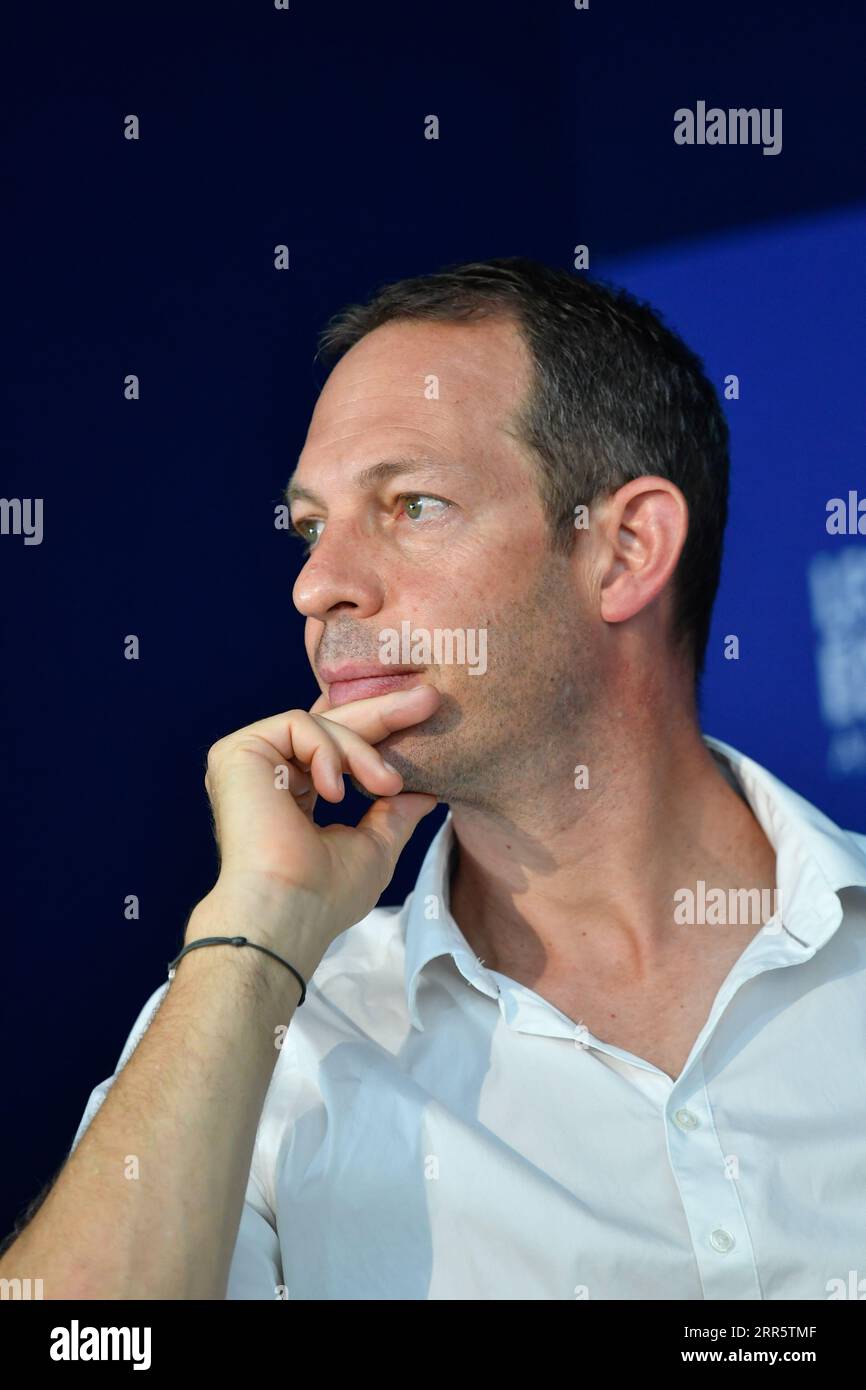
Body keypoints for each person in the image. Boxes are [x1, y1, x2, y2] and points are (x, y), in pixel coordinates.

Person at [2, 258, 864, 1300]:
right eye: (312, 526)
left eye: (411, 505)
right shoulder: (271, 1028)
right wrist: (255, 934)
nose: (316, 584)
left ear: (625, 549)